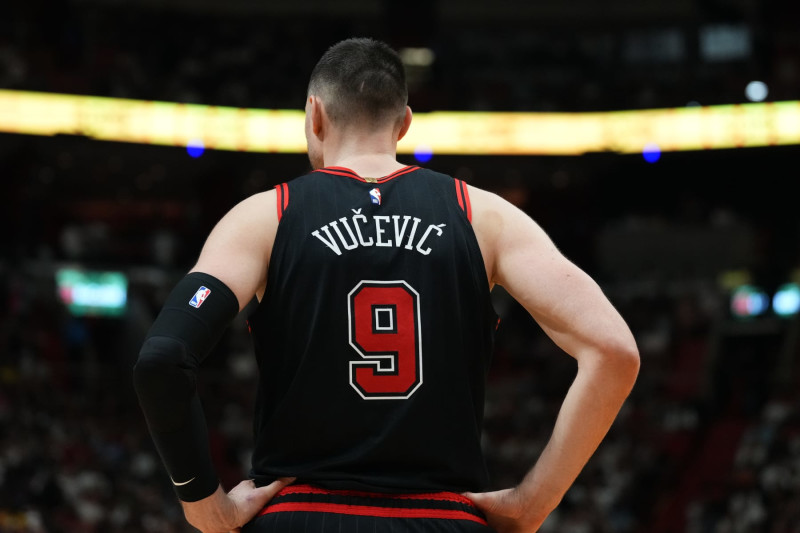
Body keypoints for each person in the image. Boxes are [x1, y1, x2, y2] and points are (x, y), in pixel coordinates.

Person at [132, 37, 640, 533]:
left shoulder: (266, 217)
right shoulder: (484, 215)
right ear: (404, 123)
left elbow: (162, 359)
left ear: (314, 115)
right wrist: (533, 502)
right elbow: (614, 350)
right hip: (443, 517)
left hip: (303, 514)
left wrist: (203, 503)